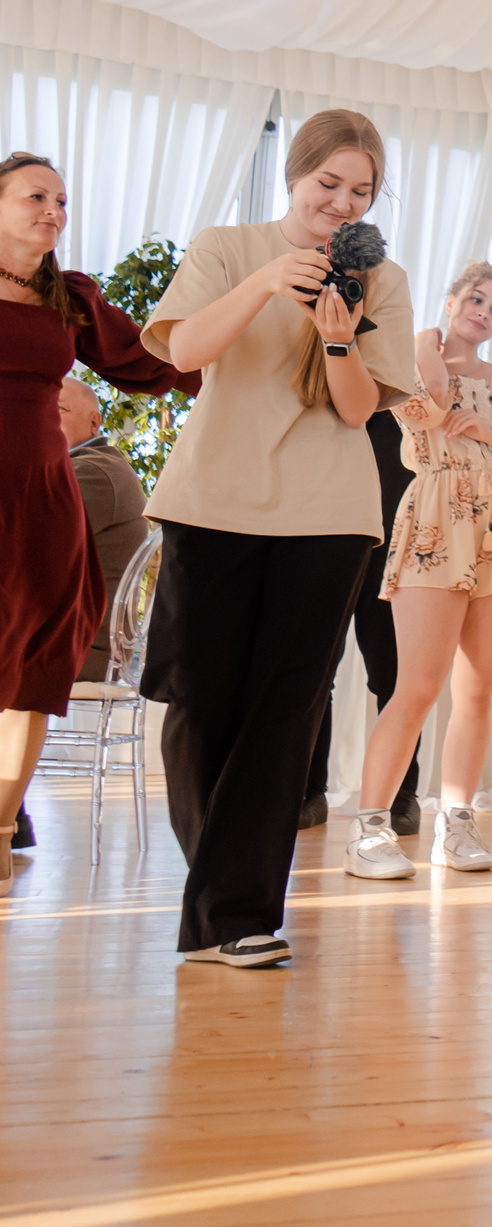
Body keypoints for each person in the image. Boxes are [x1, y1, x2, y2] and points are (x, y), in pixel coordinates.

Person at [139, 110, 415, 966]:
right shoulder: (228, 246)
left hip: (328, 516)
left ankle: (240, 915)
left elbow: (361, 408)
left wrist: (338, 335)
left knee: (284, 709)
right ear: (294, 177)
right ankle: (222, 894)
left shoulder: (383, 277)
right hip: (213, 503)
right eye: (327, 183)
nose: (341, 201)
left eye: (360, 190)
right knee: (200, 703)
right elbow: (184, 350)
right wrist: (266, 283)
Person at [0, 155, 196, 894]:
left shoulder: (68, 295)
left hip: (43, 501)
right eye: (35, 196)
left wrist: (225, 356)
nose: (52, 210)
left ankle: (0, 824)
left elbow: (145, 358)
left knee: (31, 671)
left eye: (61, 200)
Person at [344, 262, 492, 880]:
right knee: (415, 686)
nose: (485, 313)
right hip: (438, 520)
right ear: (449, 301)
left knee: (478, 689)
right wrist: (424, 342)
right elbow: (425, 408)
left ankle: (458, 824)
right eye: (475, 299)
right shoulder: (417, 359)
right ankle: (369, 831)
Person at [299, 410, 420, 835]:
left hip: (391, 559)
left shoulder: (407, 408)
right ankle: (309, 794)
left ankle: (402, 798)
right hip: (326, 548)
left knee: (394, 684)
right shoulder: (325, 406)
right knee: (313, 677)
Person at [59, 377, 150, 687]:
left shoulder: (92, 472)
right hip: (71, 642)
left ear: (94, 422)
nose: (41, 419)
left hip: (82, 649)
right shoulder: (78, 467)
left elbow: (21, 549)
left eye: (57, 409)